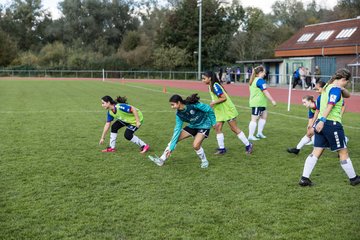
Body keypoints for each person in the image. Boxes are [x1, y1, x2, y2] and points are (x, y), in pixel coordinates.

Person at [299, 68, 360, 186]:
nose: (346, 84)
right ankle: (354, 179)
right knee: (343, 151)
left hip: (321, 126)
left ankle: (304, 178)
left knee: (316, 151)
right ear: (343, 79)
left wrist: (342, 88)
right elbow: (330, 105)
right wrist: (322, 120)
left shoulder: (327, 86)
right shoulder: (335, 90)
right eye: (346, 82)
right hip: (331, 124)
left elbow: (347, 95)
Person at [148, 94, 216, 168]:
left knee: (196, 145)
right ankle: (161, 160)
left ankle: (204, 161)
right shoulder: (179, 115)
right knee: (175, 138)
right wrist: (171, 148)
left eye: (173, 105)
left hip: (204, 125)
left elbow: (209, 109)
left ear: (179, 102)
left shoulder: (193, 105)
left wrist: (213, 122)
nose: (171, 107)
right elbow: (177, 130)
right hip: (193, 126)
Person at [202, 71, 253, 155]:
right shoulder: (210, 86)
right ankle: (222, 149)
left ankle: (248, 145)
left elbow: (224, 98)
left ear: (210, 78)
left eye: (204, 78)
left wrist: (213, 103)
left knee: (234, 128)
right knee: (217, 128)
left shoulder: (215, 86)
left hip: (227, 110)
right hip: (220, 111)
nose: (202, 80)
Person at [248, 65, 277, 141]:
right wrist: (272, 100)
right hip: (257, 103)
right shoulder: (259, 80)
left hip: (261, 102)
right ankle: (250, 135)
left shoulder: (254, 79)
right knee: (254, 119)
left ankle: (259, 133)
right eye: (264, 72)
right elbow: (265, 91)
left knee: (264, 116)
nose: (265, 74)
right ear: (260, 72)